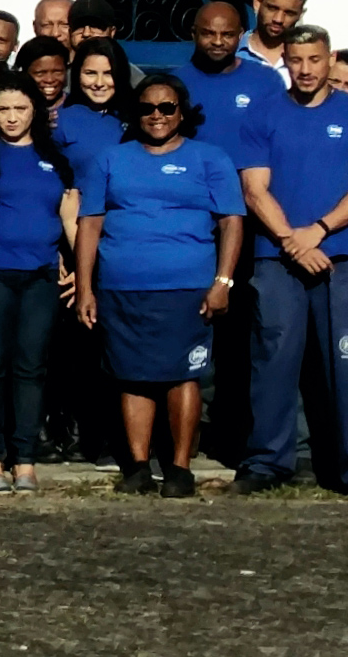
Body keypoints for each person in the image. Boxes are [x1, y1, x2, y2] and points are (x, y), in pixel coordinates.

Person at [234, 28, 348, 497]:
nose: (305, 69)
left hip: (344, 254)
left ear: (330, 60)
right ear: (285, 60)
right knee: (274, 360)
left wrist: (319, 230)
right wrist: (291, 239)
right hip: (278, 256)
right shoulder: (263, 114)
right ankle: (267, 461)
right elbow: (254, 188)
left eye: (314, 59)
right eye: (296, 59)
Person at [71, 73, 239, 494]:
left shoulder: (210, 159)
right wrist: (86, 288)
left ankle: (180, 468)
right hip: (123, 285)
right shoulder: (110, 159)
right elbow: (89, 225)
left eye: (167, 107)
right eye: (147, 108)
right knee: (133, 376)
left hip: (188, 285)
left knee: (184, 375)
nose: (157, 116)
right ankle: (139, 467)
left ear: (182, 112)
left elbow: (232, 222)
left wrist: (223, 281)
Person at [0, 75, 75, 493]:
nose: (11, 117)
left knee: (32, 368)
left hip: (40, 273)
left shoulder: (53, 159)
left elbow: (67, 213)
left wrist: (72, 260)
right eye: (2, 109)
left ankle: (24, 457)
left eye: (20, 109)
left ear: (35, 112)